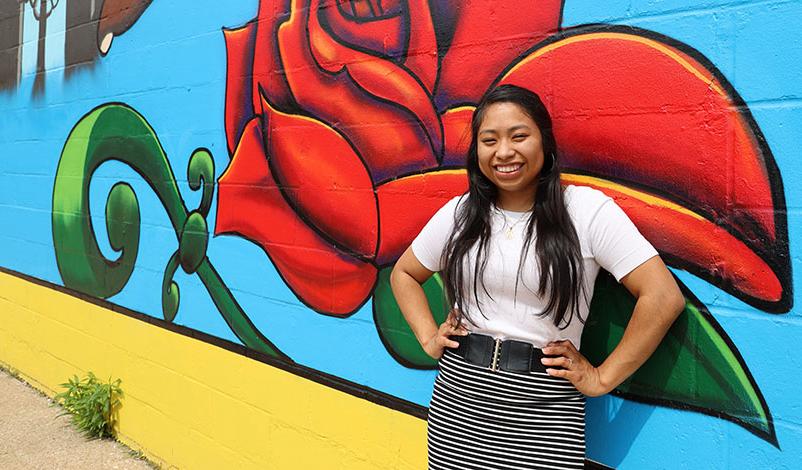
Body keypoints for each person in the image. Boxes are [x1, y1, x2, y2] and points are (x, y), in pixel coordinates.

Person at [390, 84, 685, 470]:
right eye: (489, 140)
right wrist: (429, 338)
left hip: (544, 411)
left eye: (519, 136)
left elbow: (663, 296)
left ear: (544, 142)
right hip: (458, 405)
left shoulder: (586, 211)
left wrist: (600, 379)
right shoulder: (460, 213)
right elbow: (405, 273)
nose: (504, 152)